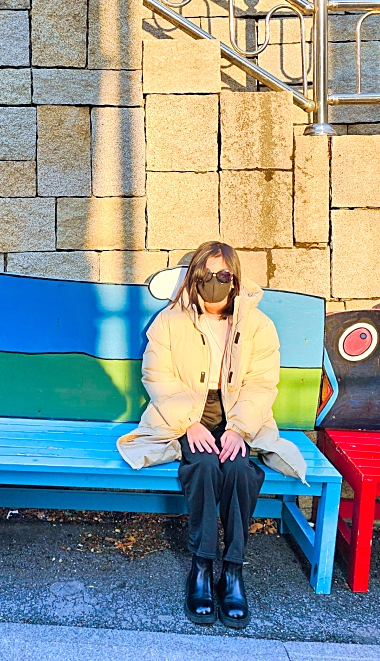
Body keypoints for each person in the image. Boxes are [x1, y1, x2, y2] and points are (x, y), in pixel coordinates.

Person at [117, 242, 307, 629]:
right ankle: (202, 567)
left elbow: (261, 384)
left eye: (224, 276)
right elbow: (158, 377)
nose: (215, 284)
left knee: (238, 469)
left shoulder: (258, 326)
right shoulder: (170, 321)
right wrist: (188, 422)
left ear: (236, 279)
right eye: (206, 276)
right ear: (193, 279)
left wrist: (238, 429)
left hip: (239, 414)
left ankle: (233, 571)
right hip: (187, 414)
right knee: (202, 465)